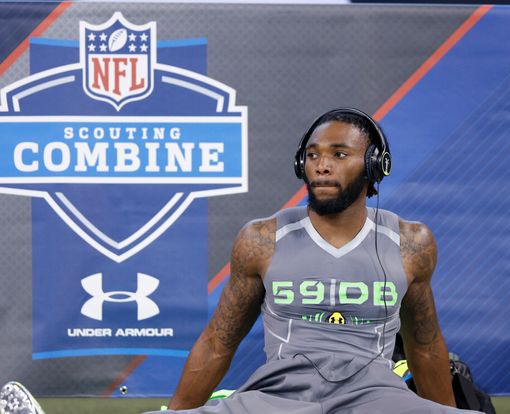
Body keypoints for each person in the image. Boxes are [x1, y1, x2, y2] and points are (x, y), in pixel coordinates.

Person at [152, 108, 478, 414]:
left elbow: (424, 345)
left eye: (339, 154)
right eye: (312, 155)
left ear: (374, 165)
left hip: (376, 397)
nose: (321, 165)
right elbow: (217, 343)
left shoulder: (411, 243)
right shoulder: (261, 240)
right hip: (277, 398)